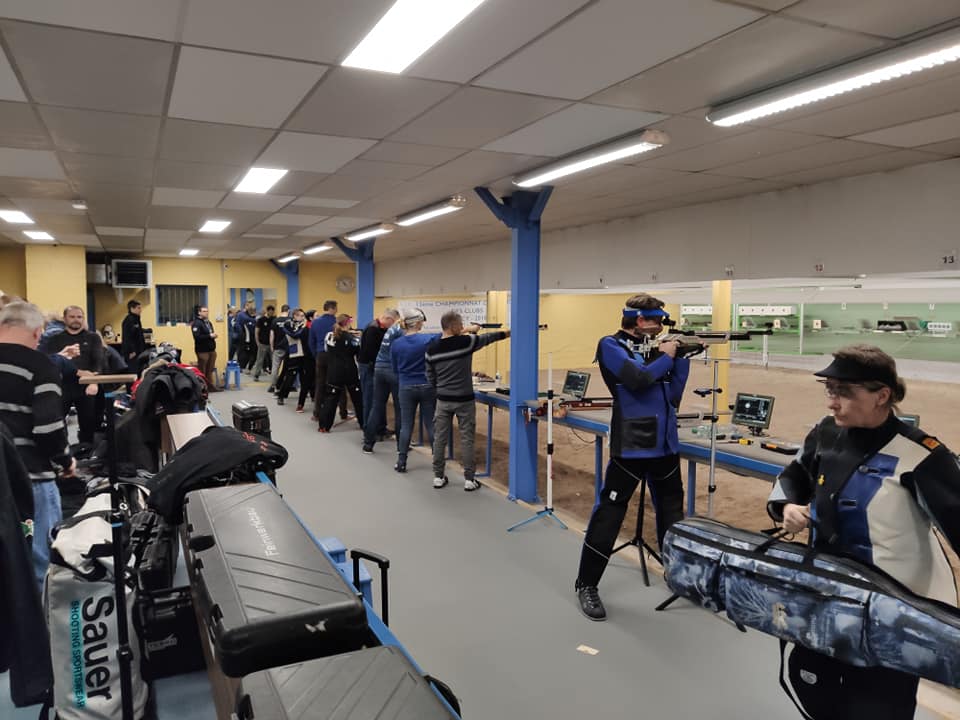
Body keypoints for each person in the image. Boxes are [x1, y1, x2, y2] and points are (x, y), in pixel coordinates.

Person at [767, 345, 960, 720]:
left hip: (891, 618)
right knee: (809, 681)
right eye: (830, 390)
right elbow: (792, 477)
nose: (831, 402)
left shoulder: (922, 454)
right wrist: (787, 506)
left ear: (882, 396)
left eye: (843, 392)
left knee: (879, 707)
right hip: (824, 599)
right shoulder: (825, 433)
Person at [574, 293, 689, 621]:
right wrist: (667, 355)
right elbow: (637, 380)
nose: (661, 328)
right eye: (657, 321)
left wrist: (682, 358)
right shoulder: (610, 345)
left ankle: (677, 576)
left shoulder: (657, 350)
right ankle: (586, 584)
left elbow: (674, 396)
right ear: (639, 320)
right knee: (609, 515)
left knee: (672, 514)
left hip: (665, 446)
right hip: (633, 446)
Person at [0, 301, 75, 587]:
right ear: (37, 333)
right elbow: (48, 429)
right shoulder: (39, 365)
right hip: (29, 479)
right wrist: (66, 460)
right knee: (39, 564)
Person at [425, 311, 505, 490]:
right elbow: (490, 338)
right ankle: (469, 479)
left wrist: (441, 388)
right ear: (454, 326)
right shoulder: (466, 342)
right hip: (465, 400)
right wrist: (509, 332)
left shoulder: (431, 349)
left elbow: (430, 376)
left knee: (440, 439)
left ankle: (438, 476)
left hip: (443, 400)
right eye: (460, 324)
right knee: (467, 439)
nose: (463, 327)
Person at [39, 305, 104, 443]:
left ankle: (87, 450)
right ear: (64, 319)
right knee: (58, 422)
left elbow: (98, 362)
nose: (76, 320)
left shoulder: (93, 337)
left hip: (86, 385)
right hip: (63, 385)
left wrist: (94, 382)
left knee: (88, 423)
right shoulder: (55, 339)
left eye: (79, 317)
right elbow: (49, 362)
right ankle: (63, 450)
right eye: (72, 317)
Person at [390, 309, 441, 474]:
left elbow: (395, 369)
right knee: (431, 424)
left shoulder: (396, 344)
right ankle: (438, 463)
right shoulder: (427, 340)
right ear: (418, 322)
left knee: (406, 425)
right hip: (427, 386)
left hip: (406, 386)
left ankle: (401, 461)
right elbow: (448, 335)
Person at [361, 314, 405, 454]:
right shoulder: (400, 333)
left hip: (379, 369)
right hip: (391, 370)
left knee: (376, 406)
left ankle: (368, 442)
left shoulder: (388, 331)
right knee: (400, 409)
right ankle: (401, 446)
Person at [317, 314, 363, 432]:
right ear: (348, 323)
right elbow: (359, 355)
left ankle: (324, 426)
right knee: (357, 399)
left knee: (330, 398)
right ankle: (363, 423)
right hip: (349, 371)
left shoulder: (329, 336)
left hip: (333, 371)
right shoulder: (352, 339)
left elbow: (327, 349)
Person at [358, 309, 400, 434]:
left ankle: (380, 428)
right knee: (370, 399)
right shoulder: (373, 329)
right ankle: (369, 429)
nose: (393, 326)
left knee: (379, 400)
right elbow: (371, 352)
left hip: (375, 366)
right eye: (393, 323)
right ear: (388, 319)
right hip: (369, 367)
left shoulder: (379, 328)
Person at [310, 300, 346, 421]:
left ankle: (317, 413)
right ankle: (343, 412)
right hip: (335, 355)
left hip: (321, 355)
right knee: (339, 384)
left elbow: (311, 341)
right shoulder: (337, 322)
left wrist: (316, 354)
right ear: (332, 308)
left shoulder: (315, 322)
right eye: (336, 308)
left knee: (320, 384)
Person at [274, 308, 309, 407]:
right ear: (294, 316)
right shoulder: (288, 324)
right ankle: (281, 395)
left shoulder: (304, 326)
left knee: (305, 377)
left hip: (304, 354)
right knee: (290, 376)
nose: (302, 318)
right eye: (300, 315)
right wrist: (303, 327)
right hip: (292, 354)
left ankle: (308, 395)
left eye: (303, 316)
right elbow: (294, 335)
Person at [190, 305, 219, 392]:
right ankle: (202, 388)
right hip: (202, 351)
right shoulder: (196, 323)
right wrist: (209, 336)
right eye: (204, 311)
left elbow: (210, 333)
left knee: (210, 370)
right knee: (202, 370)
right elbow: (197, 337)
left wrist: (213, 336)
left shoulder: (208, 322)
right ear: (199, 312)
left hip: (211, 350)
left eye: (207, 311)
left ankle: (210, 387)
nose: (206, 313)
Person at [120, 299, 146, 375]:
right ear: (132, 308)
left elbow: (137, 333)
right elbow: (127, 337)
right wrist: (131, 351)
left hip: (138, 351)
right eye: (138, 308)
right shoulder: (129, 320)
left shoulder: (136, 319)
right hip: (132, 352)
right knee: (133, 372)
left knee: (139, 371)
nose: (141, 310)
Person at [267, 304, 289, 393]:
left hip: (278, 347)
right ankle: (288, 385)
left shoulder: (275, 321)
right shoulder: (290, 320)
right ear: (288, 311)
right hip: (288, 348)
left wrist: (271, 346)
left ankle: (273, 386)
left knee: (275, 368)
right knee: (289, 368)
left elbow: (271, 335)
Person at [252, 304, 275, 381]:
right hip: (262, 343)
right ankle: (256, 375)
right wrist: (257, 342)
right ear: (267, 311)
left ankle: (274, 376)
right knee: (260, 360)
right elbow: (256, 331)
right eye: (270, 312)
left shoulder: (274, 319)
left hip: (272, 344)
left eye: (272, 312)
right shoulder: (261, 320)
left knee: (274, 360)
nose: (271, 313)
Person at [236, 301, 258, 372]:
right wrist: (254, 319)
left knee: (250, 352)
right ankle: (241, 366)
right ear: (245, 306)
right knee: (242, 352)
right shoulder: (241, 314)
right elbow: (246, 319)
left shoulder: (248, 315)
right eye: (248, 306)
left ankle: (247, 366)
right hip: (243, 336)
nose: (250, 308)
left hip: (250, 337)